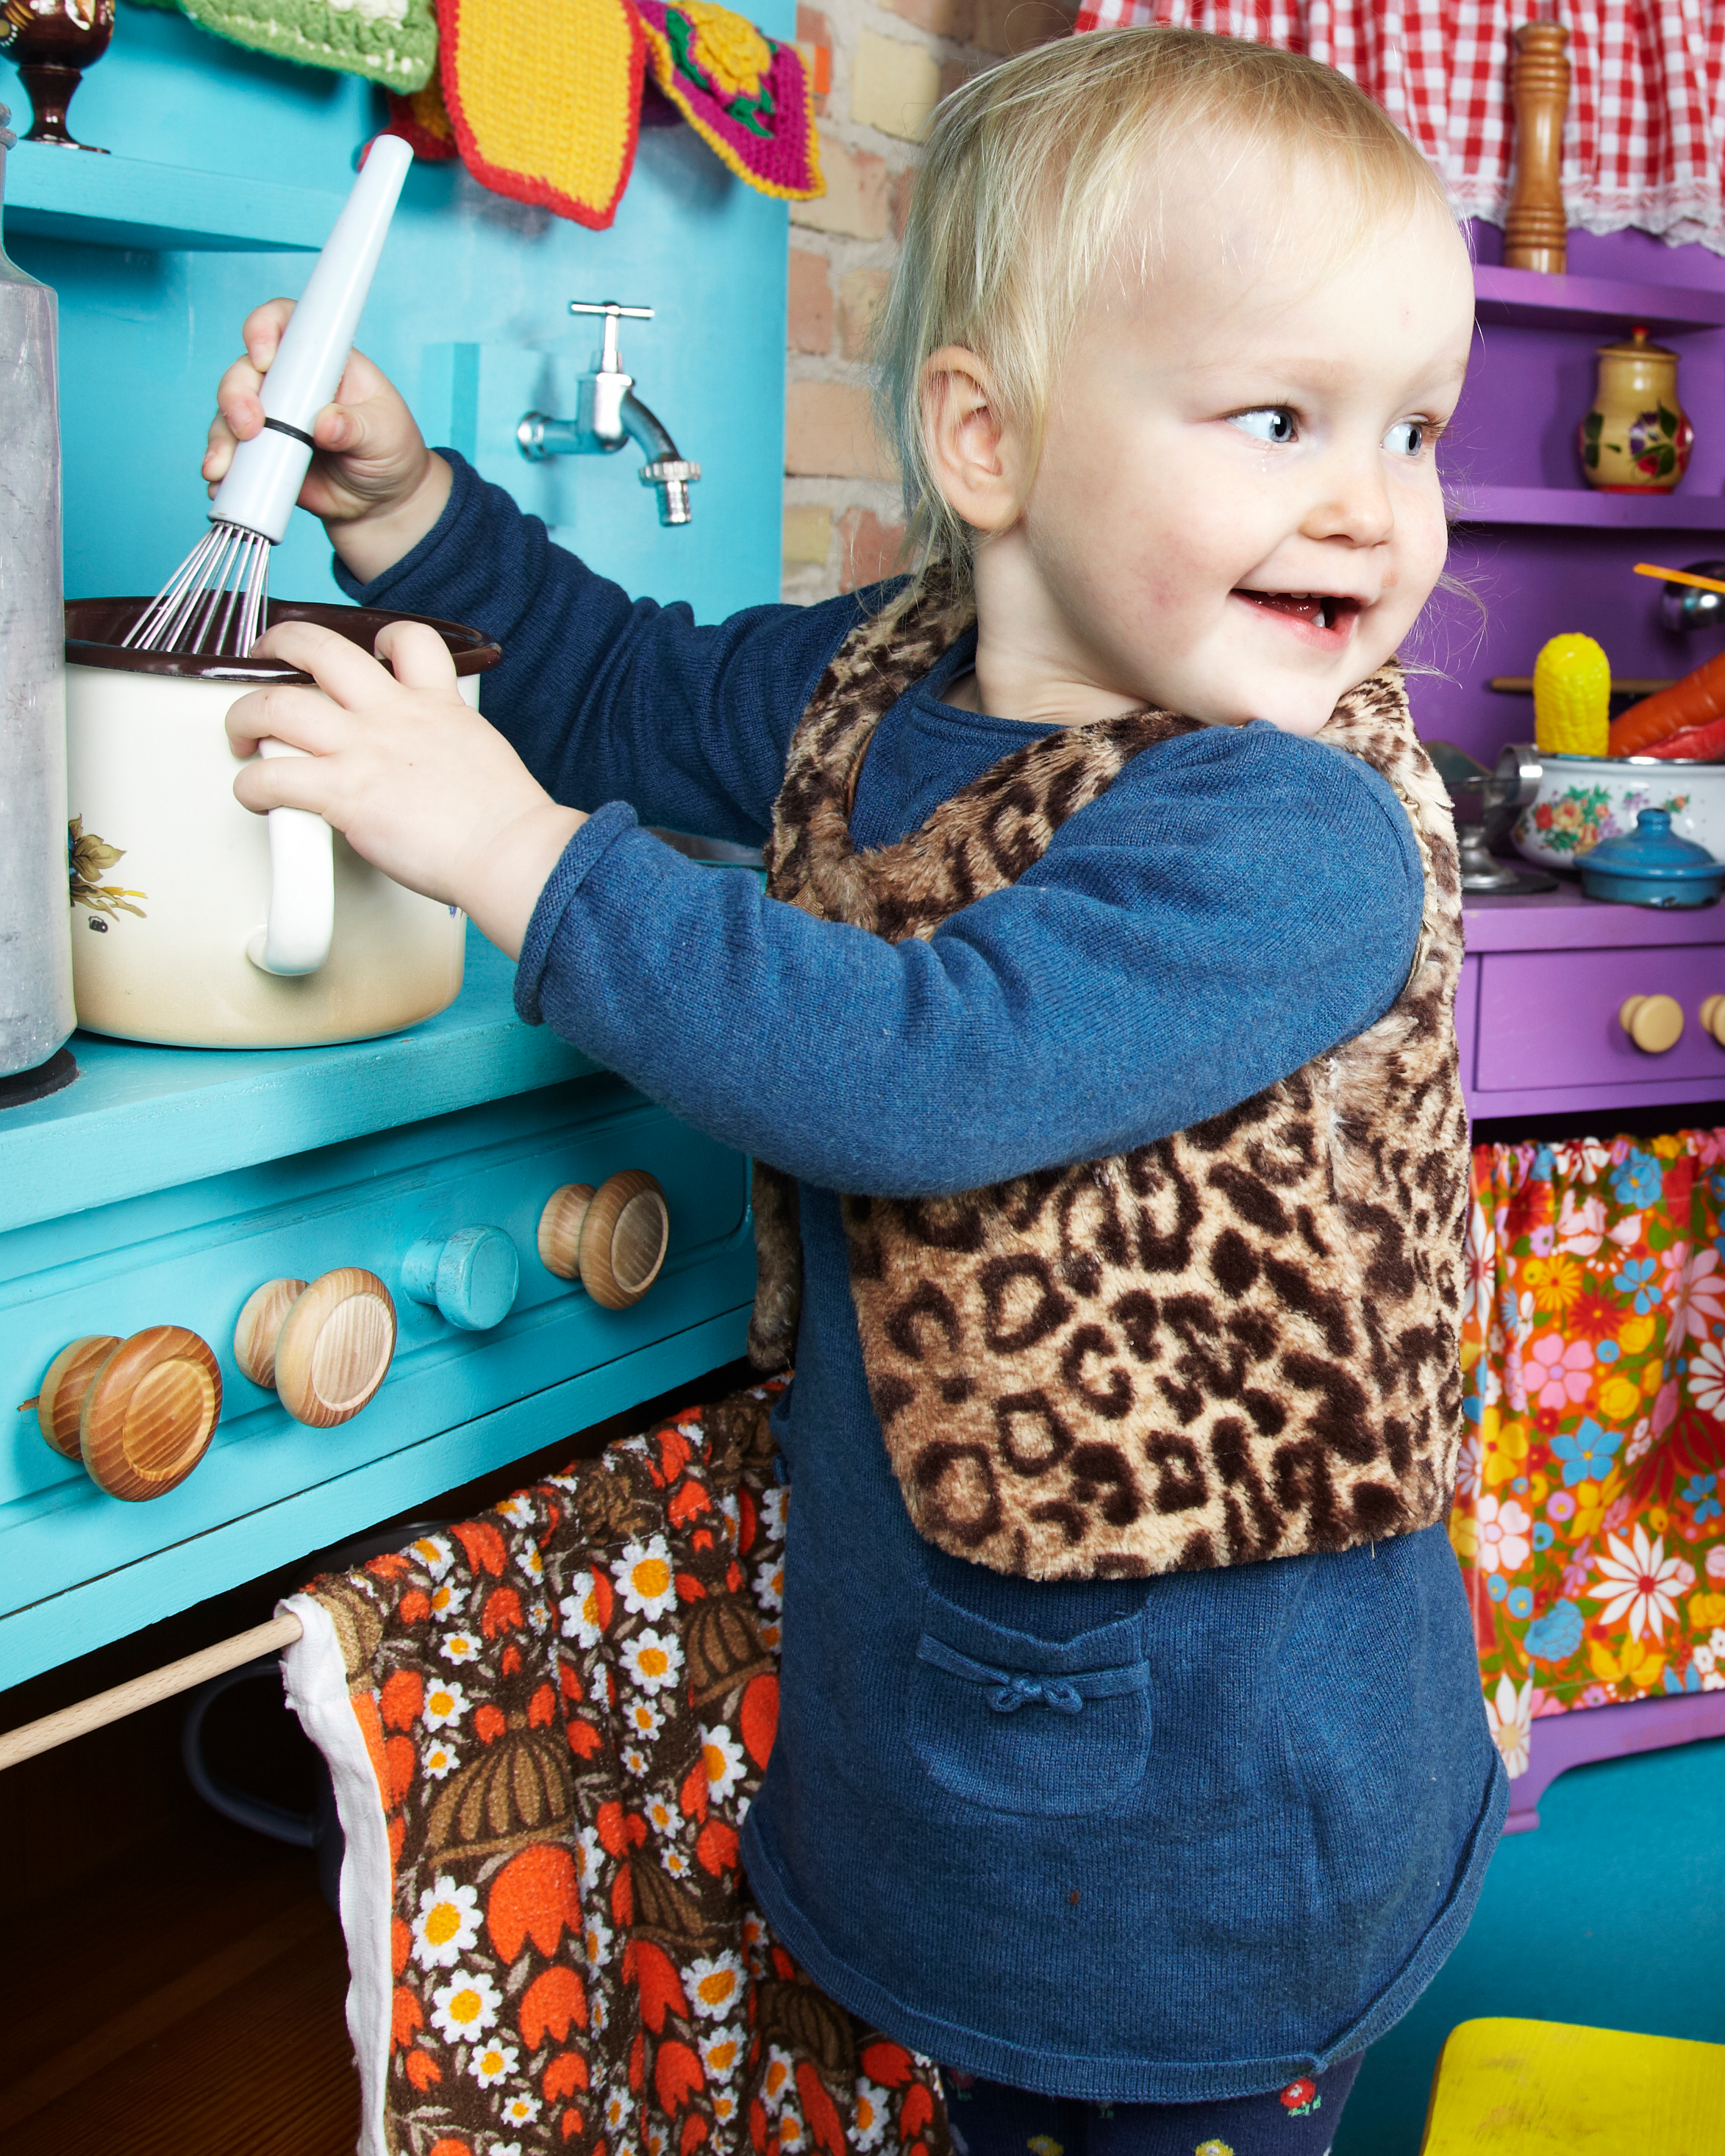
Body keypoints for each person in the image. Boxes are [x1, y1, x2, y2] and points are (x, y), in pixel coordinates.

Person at [207, 26, 1503, 2154]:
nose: (1374, 505)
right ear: (988, 442)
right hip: (967, 1766)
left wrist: (510, 853)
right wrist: (412, 509)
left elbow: (917, 1069)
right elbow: (622, 678)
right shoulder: (878, 684)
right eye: (1280, 418)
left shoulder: (1294, 828)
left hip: (1227, 1833)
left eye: (1415, 431)